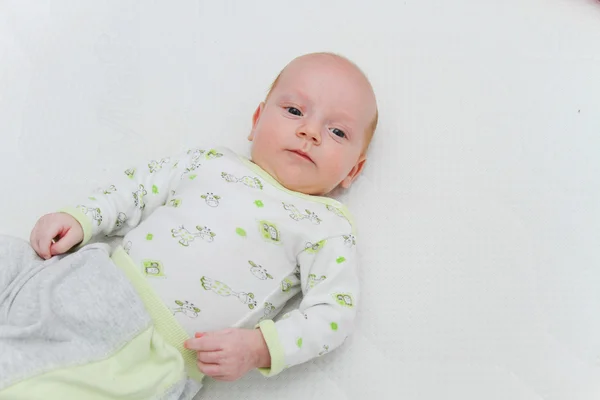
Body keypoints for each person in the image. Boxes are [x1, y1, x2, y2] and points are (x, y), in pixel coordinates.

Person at [0, 52, 378, 399]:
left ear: (354, 170)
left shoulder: (326, 226)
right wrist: (81, 218)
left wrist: (260, 347)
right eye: (295, 110)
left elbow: (334, 313)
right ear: (256, 120)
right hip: (91, 280)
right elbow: (137, 190)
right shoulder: (210, 162)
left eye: (338, 132)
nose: (309, 132)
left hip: (154, 356)